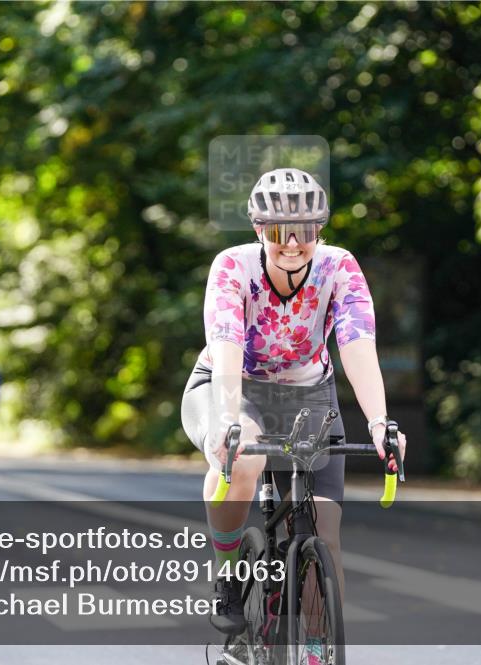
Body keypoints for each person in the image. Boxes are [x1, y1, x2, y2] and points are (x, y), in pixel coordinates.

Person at [181, 167, 406, 646]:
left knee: (323, 536)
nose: (292, 243)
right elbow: (225, 344)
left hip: (308, 394)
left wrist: (380, 423)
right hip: (233, 385)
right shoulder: (233, 267)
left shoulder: (338, 267)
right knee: (244, 460)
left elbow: (358, 344)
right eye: (279, 231)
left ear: (318, 230)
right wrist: (226, 419)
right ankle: (227, 576)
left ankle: (317, 649)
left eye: (305, 230)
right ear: (259, 230)